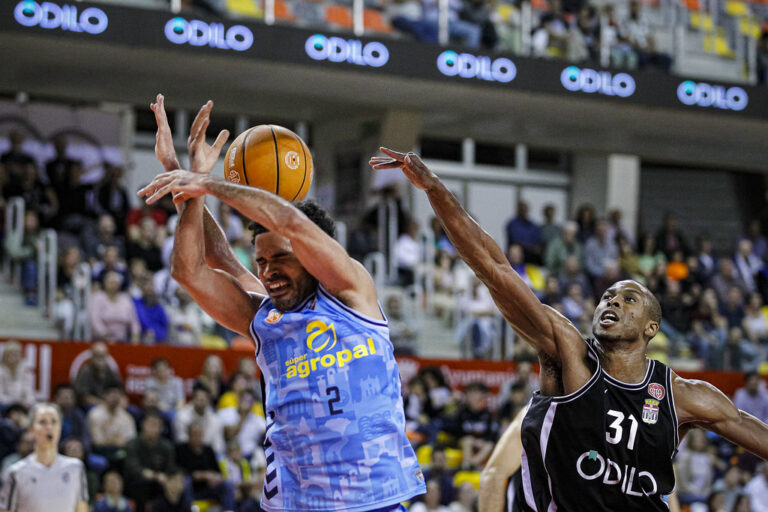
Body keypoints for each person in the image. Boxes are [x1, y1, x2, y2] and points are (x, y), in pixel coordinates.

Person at [370, 147, 768, 510]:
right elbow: (494, 268)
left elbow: (754, 434)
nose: (612, 301)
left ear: (651, 327)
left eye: (628, 299)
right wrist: (434, 188)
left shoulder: (682, 397)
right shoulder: (570, 354)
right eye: (608, 296)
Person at [139, 96, 425, 511]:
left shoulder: (352, 291)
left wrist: (207, 184)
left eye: (282, 258)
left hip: (373, 500)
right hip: (294, 503)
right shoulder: (265, 316)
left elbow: (289, 222)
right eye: (261, 261)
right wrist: (185, 177)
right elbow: (195, 268)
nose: (267, 271)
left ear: (313, 255)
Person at [0, 403, 88, 512]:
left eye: (54, 422)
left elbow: (81, 508)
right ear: (31, 429)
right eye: (43, 422)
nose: (49, 427)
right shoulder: (16, 473)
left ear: (60, 427)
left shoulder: (76, 468)